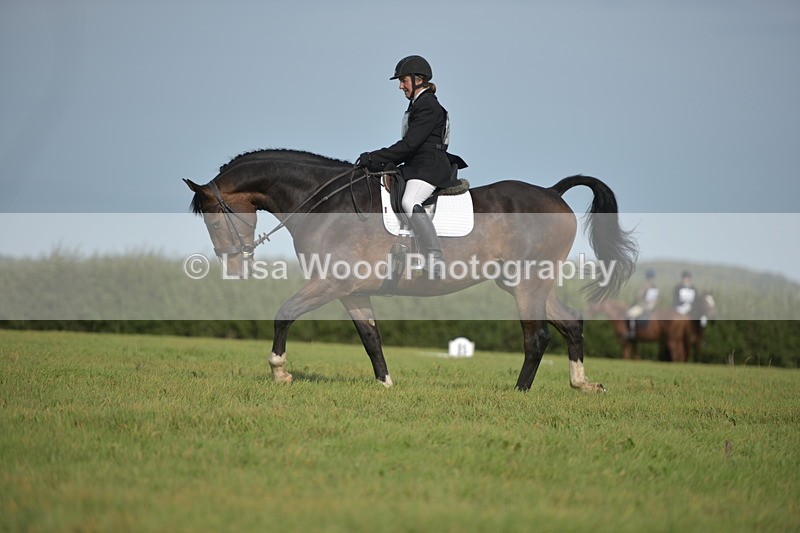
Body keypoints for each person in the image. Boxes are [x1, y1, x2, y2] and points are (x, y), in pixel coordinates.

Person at [357, 55, 466, 279]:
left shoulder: (428, 105)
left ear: (419, 79)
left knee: (409, 201)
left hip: (430, 166)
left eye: (403, 81)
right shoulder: (417, 104)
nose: (400, 86)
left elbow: (410, 144)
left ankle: (435, 257)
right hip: (418, 164)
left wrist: (375, 156)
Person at [626, 269, 659, 339]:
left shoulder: (646, 286)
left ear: (647, 278)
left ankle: (632, 332)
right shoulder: (656, 287)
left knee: (630, 314)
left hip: (645, 306)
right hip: (653, 306)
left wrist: (636, 301)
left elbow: (639, 296)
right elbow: (656, 299)